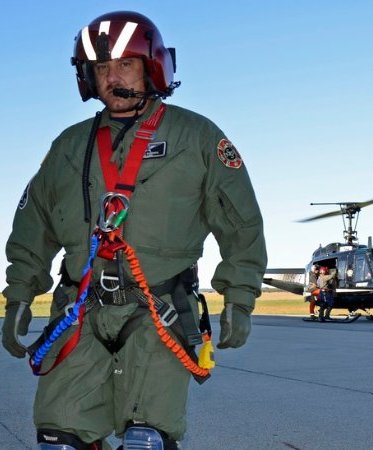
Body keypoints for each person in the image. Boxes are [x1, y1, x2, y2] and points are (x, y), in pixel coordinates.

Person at [1, 11, 267, 450]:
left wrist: (240, 296)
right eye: (102, 68)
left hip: (157, 312)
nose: (112, 77)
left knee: (147, 441)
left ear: (152, 66)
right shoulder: (69, 146)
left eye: (125, 64)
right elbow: (33, 228)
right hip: (79, 312)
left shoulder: (196, 137)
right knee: (58, 440)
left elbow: (241, 224)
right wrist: (18, 298)